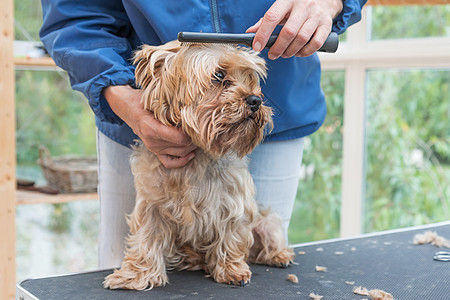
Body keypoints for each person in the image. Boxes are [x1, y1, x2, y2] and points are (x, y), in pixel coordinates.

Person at [40, 0, 366, 269]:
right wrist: (120, 94)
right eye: (221, 78)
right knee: (136, 269)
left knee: (255, 272)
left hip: (280, 110)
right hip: (141, 117)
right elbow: (74, 13)